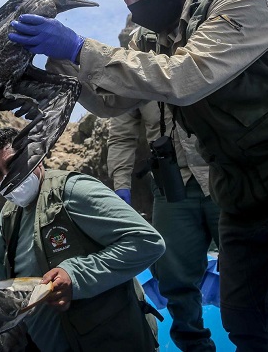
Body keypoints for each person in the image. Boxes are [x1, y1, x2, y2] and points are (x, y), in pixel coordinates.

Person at [8, 0, 268, 351]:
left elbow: (187, 77)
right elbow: (112, 103)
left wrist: (81, 47)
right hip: (241, 191)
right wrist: (61, 65)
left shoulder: (241, 3)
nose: (133, 2)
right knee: (243, 318)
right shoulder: (148, 37)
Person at [0, 127, 165, 352]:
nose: (7, 176)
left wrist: (75, 276)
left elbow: (147, 241)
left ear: (34, 157)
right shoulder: (9, 214)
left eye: (12, 163)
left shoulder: (73, 190)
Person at [108, 93, 220, 351]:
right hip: (171, 182)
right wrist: (121, 186)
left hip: (225, 172)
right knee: (173, 279)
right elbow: (122, 132)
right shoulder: (131, 67)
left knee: (252, 269)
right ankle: (196, 347)